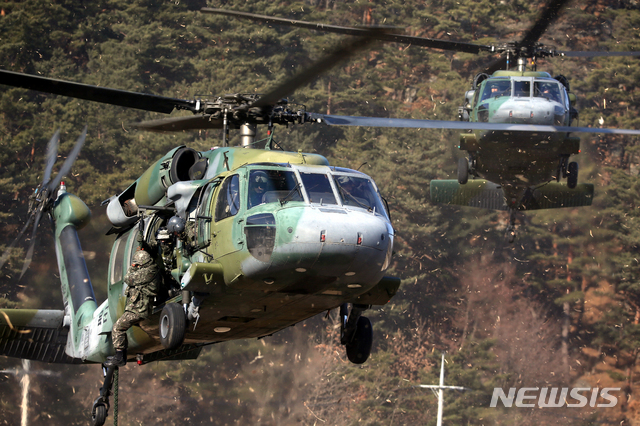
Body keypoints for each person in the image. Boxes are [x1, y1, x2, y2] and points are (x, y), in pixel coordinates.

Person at [105, 243, 161, 368]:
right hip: (139, 308)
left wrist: (133, 268)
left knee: (118, 328)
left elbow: (128, 279)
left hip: (138, 309)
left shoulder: (148, 272)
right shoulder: (151, 269)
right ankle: (120, 356)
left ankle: (120, 357)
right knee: (120, 327)